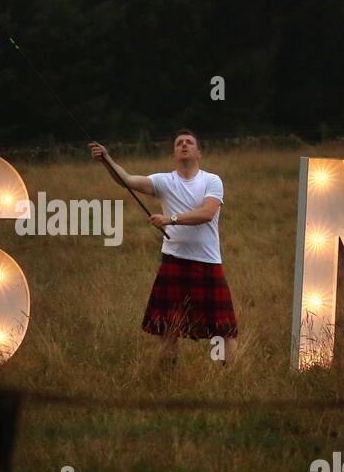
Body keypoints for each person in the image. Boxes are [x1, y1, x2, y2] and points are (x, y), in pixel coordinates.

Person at [90, 129, 238, 364]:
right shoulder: (164, 181)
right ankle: (167, 375)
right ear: (174, 153)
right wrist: (107, 160)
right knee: (168, 326)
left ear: (198, 152)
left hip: (207, 262)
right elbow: (127, 180)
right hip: (174, 261)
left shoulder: (211, 180)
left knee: (223, 327)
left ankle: (229, 375)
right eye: (179, 143)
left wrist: (171, 219)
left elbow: (208, 213)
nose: (184, 145)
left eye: (190, 142)